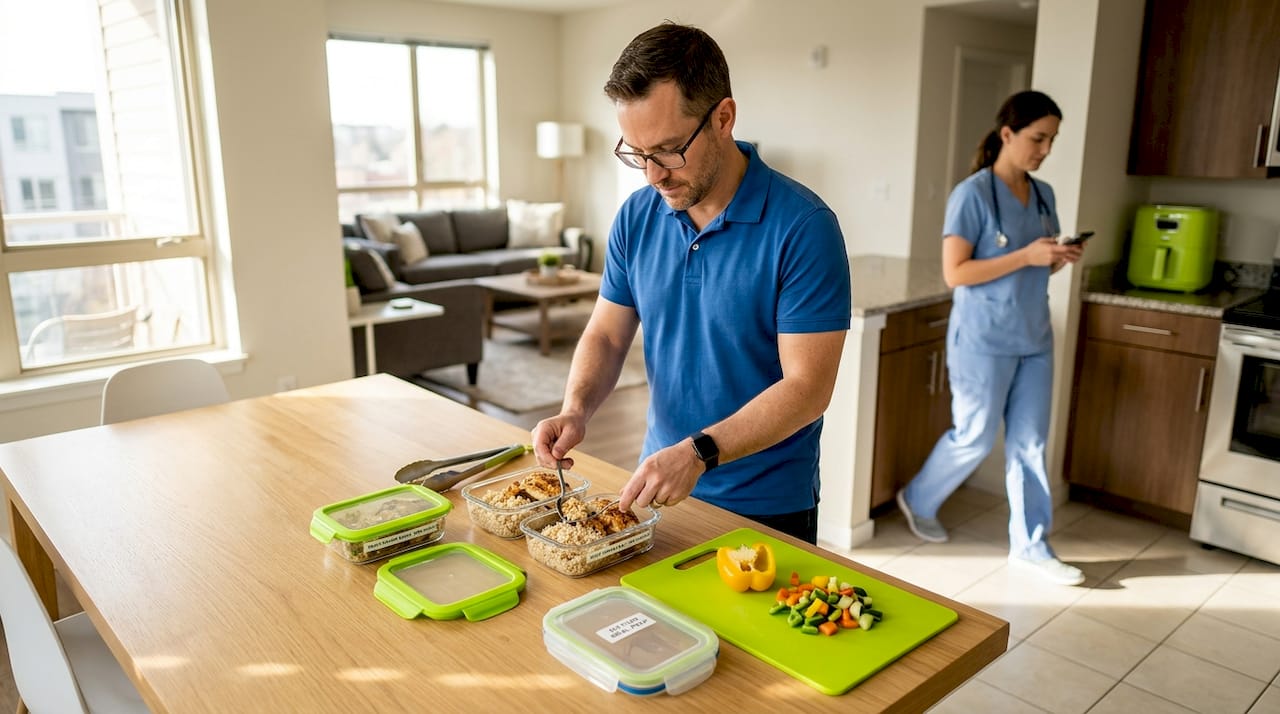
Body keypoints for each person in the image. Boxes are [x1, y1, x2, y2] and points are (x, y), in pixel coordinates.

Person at [531, 22, 851, 544]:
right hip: (657, 489)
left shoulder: (804, 227)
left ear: (723, 118)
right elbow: (608, 335)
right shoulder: (637, 215)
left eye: (668, 149)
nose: (652, 175)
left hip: (766, 507)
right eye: (636, 153)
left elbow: (808, 389)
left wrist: (698, 452)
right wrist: (576, 408)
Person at [895, 90, 1087, 585]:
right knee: (975, 437)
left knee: (1029, 445)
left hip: (1034, 338)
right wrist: (1026, 256)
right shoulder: (972, 194)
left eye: (1051, 141)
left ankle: (1031, 544)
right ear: (1008, 134)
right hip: (982, 338)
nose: (1044, 149)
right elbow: (955, 272)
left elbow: (1036, 266)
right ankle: (918, 498)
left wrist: (1057, 258)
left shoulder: (1044, 195)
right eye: (1037, 138)